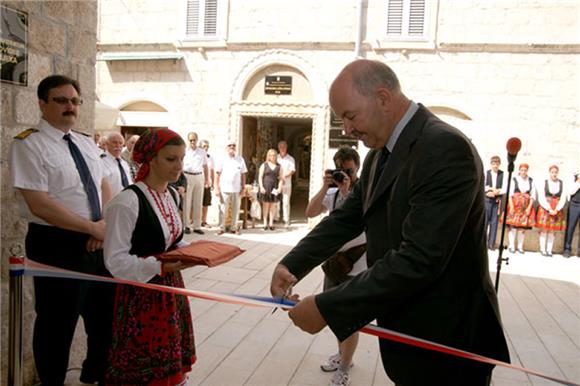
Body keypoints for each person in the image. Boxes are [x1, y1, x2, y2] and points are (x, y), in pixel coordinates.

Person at [270, 60, 509, 386]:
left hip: (448, 341)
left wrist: (328, 306)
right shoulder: (380, 153)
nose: (347, 130)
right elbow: (348, 217)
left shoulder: (444, 148)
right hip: (409, 333)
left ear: (383, 98)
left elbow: (420, 258)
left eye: (350, 116)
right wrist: (293, 263)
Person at [10, 75, 115, 385]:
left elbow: (104, 184)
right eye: (61, 100)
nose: (70, 106)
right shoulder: (29, 143)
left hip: (98, 240)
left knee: (104, 320)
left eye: (74, 100)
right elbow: (39, 204)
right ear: (42, 104)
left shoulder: (84, 141)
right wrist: (91, 228)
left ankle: (94, 377)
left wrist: (104, 227)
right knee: (57, 325)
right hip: (56, 243)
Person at [103, 128, 196, 385]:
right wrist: (160, 266)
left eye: (181, 158)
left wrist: (196, 253)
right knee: (144, 370)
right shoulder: (127, 202)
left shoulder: (172, 194)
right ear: (151, 159)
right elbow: (115, 261)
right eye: (170, 159)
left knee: (171, 368)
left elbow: (173, 240)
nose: (178, 166)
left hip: (170, 291)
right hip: (141, 295)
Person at [304, 147, 367, 386]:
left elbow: (360, 218)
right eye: (341, 170)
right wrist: (325, 186)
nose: (345, 174)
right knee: (333, 315)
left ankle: (344, 366)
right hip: (334, 265)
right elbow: (310, 212)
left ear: (357, 168)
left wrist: (348, 190)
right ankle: (342, 356)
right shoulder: (332, 193)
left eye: (349, 170)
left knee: (350, 320)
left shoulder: (363, 191)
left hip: (356, 265)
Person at [214, 141, 247, 235]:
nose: (232, 147)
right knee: (223, 209)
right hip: (224, 188)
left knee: (236, 209)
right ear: (226, 148)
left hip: (236, 189)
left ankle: (233, 227)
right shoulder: (222, 159)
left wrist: (243, 187)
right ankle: (221, 227)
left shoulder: (240, 159)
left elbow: (243, 174)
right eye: (230, 146)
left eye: (233, 146)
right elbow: (217, 174)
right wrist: (216, 188)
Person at [535, 165, 567, 257]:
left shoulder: (562, 183)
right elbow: (541, 197)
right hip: (546, 208)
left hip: (556, 209)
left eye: (556, 172)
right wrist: (548, 208)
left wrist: (557, 209)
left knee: (552, 231)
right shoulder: (544, 182)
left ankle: (549, 250)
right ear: (549, 172)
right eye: (552, 172)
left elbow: (563, 197)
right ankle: (542, 249)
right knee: (544, 230)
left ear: (558, 173)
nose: (554, 174)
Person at [505, 163, 536, 253]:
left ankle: (520, 247)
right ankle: (511, 246)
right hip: (515, 205)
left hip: (525, 207)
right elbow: (510, 194)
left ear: (527, 171)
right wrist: (511, 206)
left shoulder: (531, 181)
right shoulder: (514, 180)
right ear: (519, 170)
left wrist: (529, 208)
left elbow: (533, 196)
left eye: (525, 170)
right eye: (522, 170)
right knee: (513, 226)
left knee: (522, 228)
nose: (523, 172)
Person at [183, 132, 209, 234]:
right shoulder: (185, 151)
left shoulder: (202, 152)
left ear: (197, 140)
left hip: (199, 176)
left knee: (198, 202)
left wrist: (207, 180)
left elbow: (205, 166)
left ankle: (197, 226)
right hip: (187, 176)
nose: (192, 142)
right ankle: (186, 226)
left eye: (194, 140)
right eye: (191, 140)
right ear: (188, 141)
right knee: (187, 201)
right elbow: (180, 165)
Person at [258, 148, 283, 230]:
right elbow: (260, 177)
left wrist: (279, 187)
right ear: (268, 156)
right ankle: (265, 223)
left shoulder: (279, 166)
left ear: (276, 156)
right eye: (270, 155)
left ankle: (271, 223)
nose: (272, 157)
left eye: (274, 155)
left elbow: (281, 179)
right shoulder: (264, 165)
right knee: (266, 205)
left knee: (273, 206)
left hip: (274, 188)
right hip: (265, 187)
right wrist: (261, 187)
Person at [102, 132, 133, 196]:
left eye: (120, 143)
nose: (118, 145)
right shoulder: (101, 162)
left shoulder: (124, 163)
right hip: (110, 202)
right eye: (114, 142)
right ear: (107, 144)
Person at [484, 155, 505, 250]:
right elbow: (483, 185)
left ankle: (491, 244)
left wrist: (497, 192)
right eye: (493, 163)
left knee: (494, 222)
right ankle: (482, 243)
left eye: (497, 163)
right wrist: (489, 191)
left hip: (497, 201)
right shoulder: (486, 173)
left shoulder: (502, 174)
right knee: (484, 222)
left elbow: (504, 188)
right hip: (487, 200)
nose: (495, 165)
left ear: (499, 164)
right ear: (491, 164)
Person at [277, 140, 296, 228]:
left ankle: (286, 219)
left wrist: (284, 176)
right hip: (276, 183)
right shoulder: (275, 157)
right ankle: (275, 218)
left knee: (286, 202)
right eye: (281, 147)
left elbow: (292, 170)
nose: (282, 148)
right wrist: (279, 177)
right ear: (278, 148)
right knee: (275, 201)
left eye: (284, 147)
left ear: (286, 147)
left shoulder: (291, 159)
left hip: (287, 183)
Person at [563, 173, 580, 258]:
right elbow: (570, 191)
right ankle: (567, 249)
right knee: (570, 227)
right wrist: (578, 182)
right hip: (575, 204)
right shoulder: (574, 176)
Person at [200, 139, 214, 227]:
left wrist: (212, 182)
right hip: (198, 181)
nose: (206, 148)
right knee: (196, 202)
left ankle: (204, 221)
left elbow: (212, 170)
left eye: (207, 146)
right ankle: (193, 220)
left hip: (207, 183)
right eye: (204, 146)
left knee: (206, 203)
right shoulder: (197, 156)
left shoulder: (210, 158)